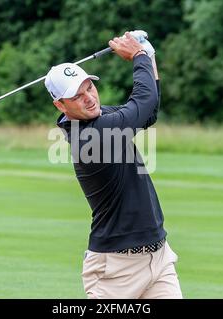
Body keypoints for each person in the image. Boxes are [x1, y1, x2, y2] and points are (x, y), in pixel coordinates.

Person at [44, 31, 183, 299]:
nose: (89, 97)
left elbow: (148, 113)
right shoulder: (90, 137)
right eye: (77, 96)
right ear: (60, 105)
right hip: (114, 270)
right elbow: (143, 102)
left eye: (89, 87)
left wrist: (149, 55)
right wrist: (139, 56)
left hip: (158, 258)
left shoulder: (99, 118)